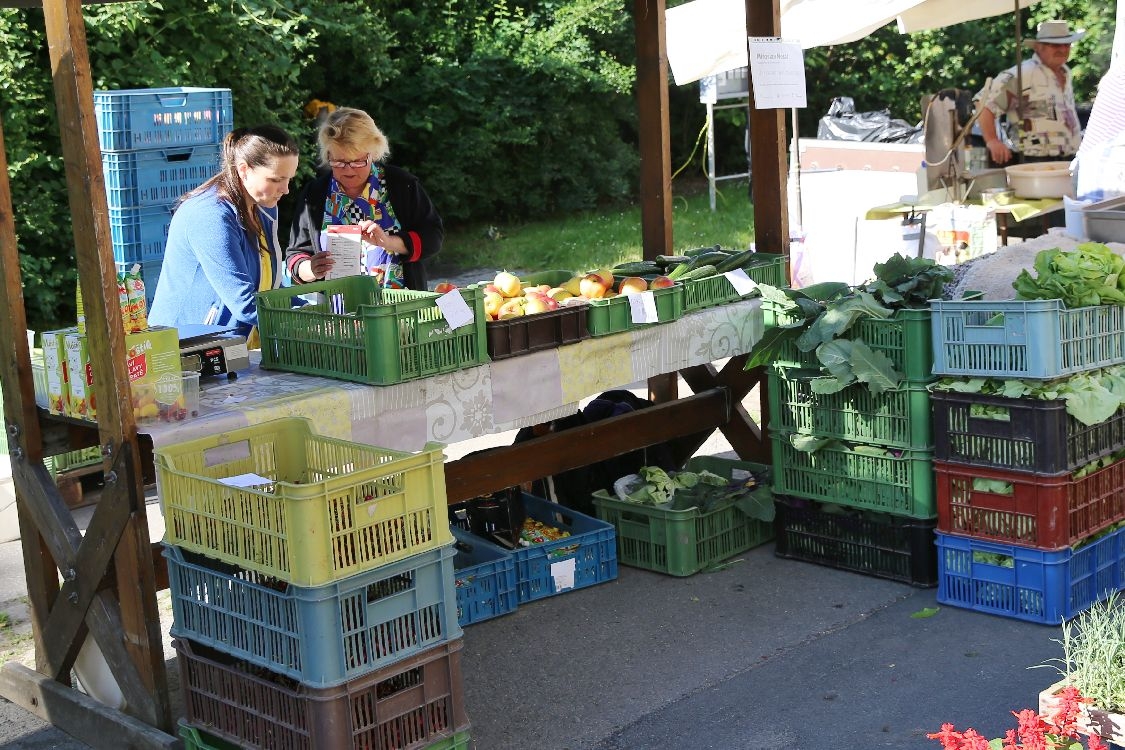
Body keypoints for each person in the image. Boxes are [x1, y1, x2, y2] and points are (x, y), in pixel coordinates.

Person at [148, 125, 299, 344]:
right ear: (244, 170)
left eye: (289, 179)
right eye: (276, 179)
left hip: (232, 347)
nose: (285, 189)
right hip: (181, 350)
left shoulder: (263, 205)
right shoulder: (211, 216)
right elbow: (246, 304)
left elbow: (269, 287)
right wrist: (310, 321)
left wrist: (317, 311)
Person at [285, 107, 443, 291]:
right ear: (328, 155)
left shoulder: (401, 185)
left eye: (358, 161)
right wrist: (311, 269)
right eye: (339, 162)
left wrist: (388, 241)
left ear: (373, 153)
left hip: (401, 309)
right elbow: (296, 254)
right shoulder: (314, 195)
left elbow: (433, 237)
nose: (349, 170)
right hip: (338, 313)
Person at [976, 19, 1086, 167]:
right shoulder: (1023, 74)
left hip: (1067, 160)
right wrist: (992, 141)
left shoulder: (1065, 73)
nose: (1063, 49)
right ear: (1038, 47)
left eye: (1066, 44)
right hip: (1032, 161)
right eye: (1055, 45)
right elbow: (983, 103)